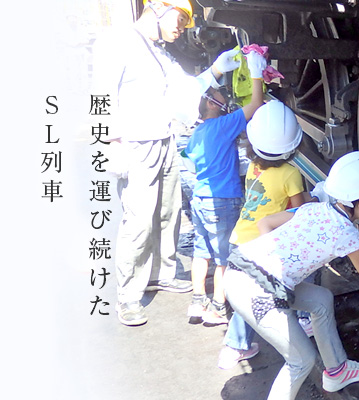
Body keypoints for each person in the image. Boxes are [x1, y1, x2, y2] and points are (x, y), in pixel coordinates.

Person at [223, 151, 359, 398]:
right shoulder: (347, 235)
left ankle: (337, 370)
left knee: (320, 300)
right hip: (257, 294)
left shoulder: (313, 209)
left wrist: (276, 261)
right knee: (301, 361)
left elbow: (265, 223)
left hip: (240, 270)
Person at [92, 0, 250, 326]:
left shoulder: (161, 53)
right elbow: (101, 95)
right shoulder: (118, 41)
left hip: (163, 140)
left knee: (168, 211)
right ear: (159, 8)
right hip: (135, 144)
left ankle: (161, 272)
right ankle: (128, 296)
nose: (183, 27)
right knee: (138, 220)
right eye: (180, 18)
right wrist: (111, 142)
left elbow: (186, 89)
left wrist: (218, 69)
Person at [217, 100, 310, 369]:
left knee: (244, 296)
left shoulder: (254, 166)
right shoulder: (291, 173)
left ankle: (235, 347)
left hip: (241, 236)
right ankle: (302, 319)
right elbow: (300, 210)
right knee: (288, 274)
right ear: (294, 145)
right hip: (262, 242)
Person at [184, 80, 266, 325]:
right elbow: (255, 104)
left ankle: (198, 302)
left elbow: (190, 161)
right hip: (222, 199)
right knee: (223, 258)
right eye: (219, 94)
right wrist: (255, 72)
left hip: (199, 198)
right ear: (211, 103)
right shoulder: (223, 125)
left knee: (201, 252)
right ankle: (219, 307)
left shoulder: (197, 133)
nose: (224, 95)